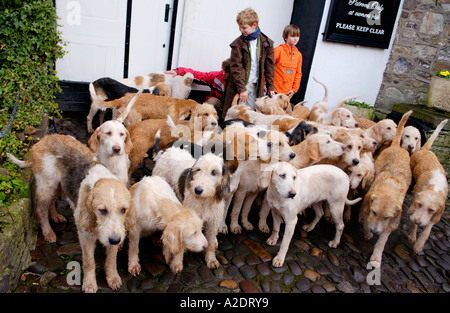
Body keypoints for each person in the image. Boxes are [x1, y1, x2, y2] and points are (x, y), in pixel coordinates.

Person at [222, 7, 275, 118]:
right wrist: (242, 89)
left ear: (254, 25)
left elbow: (270, 67)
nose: (241, 30)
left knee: (251, 115)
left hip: (256, 86)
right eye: (239, 27)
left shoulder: (267, 43)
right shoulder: (238, 44)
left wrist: (270, 87)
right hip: (241, 85)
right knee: (236, 114)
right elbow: (236, 68)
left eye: (244, 27)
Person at [165, 58, 231, 103]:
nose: (223, 73)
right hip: (219, 103)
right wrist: (179, 71)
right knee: (212, 102)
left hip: (229, 105)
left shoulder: (239, 84)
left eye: (226, 72)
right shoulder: (217, 76)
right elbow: (199, 75)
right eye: (223, 70)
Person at [273, 24, 302, 99]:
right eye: (292, 36)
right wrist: (266, 84)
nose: (295, 39)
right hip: (274, 90)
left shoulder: (298, 55)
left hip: (287, 92)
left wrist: (294, 89)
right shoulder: (278, 50)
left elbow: (298, 74)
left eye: (297, 36)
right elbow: (268, 67)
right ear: (286, 37)